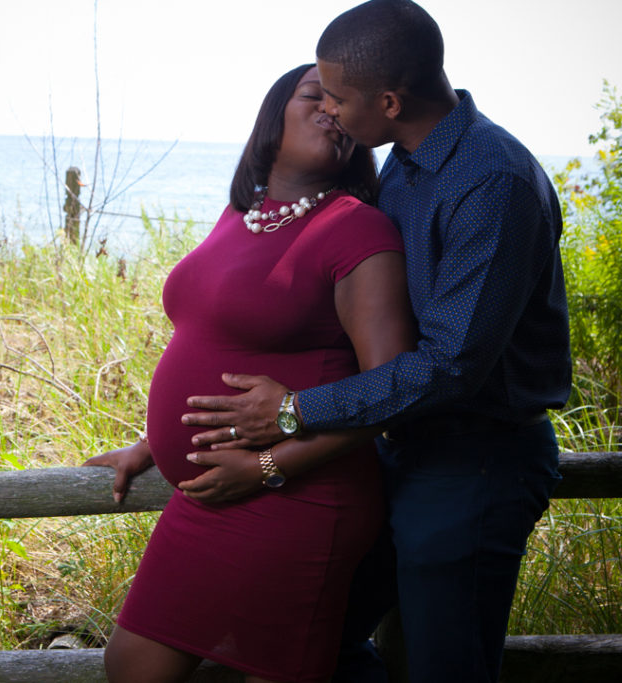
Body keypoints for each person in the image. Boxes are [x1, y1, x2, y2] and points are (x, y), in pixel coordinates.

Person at [178, 2, 572, 682]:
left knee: (445, 668)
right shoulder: (406, 162)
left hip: (474, 462)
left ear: (389, 102)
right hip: (396, 453)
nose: (326, 107)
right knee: (310, 640)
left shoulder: (491, 183)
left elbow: (450, 366)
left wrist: (294, 410)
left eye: (335, 94)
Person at [82, 63, 416, 683]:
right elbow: (220, 338)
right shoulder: (245, 214)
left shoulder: (357, 228)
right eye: (314, 95)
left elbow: (392, 391)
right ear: (272, 118)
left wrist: (265, 467)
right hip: (211, 492)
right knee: (132, 664)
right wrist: (155, 443)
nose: (330, 111)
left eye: (342, 104)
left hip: (299, 494)